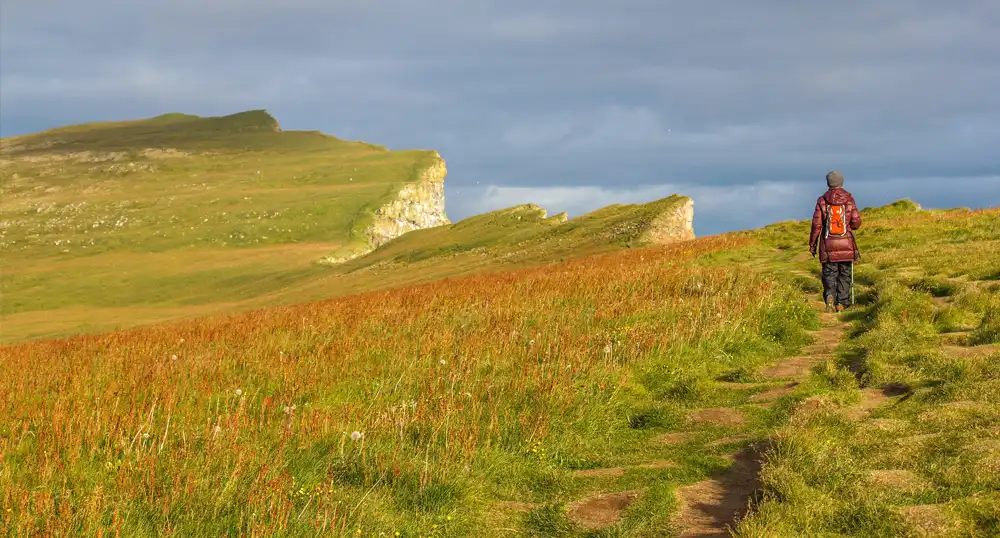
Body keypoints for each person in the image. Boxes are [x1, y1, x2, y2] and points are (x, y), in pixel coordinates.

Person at [809, 170, 862, 312]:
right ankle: (842, 303)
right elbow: (856, 222)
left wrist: (813, 244)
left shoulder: (822, 200)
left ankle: (830, 296)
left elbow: (816, 225)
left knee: (829, 274)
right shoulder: (849, 199)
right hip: (846, 244)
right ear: (841, 182)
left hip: (828, 245)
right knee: (844, 274)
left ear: (828, 183)